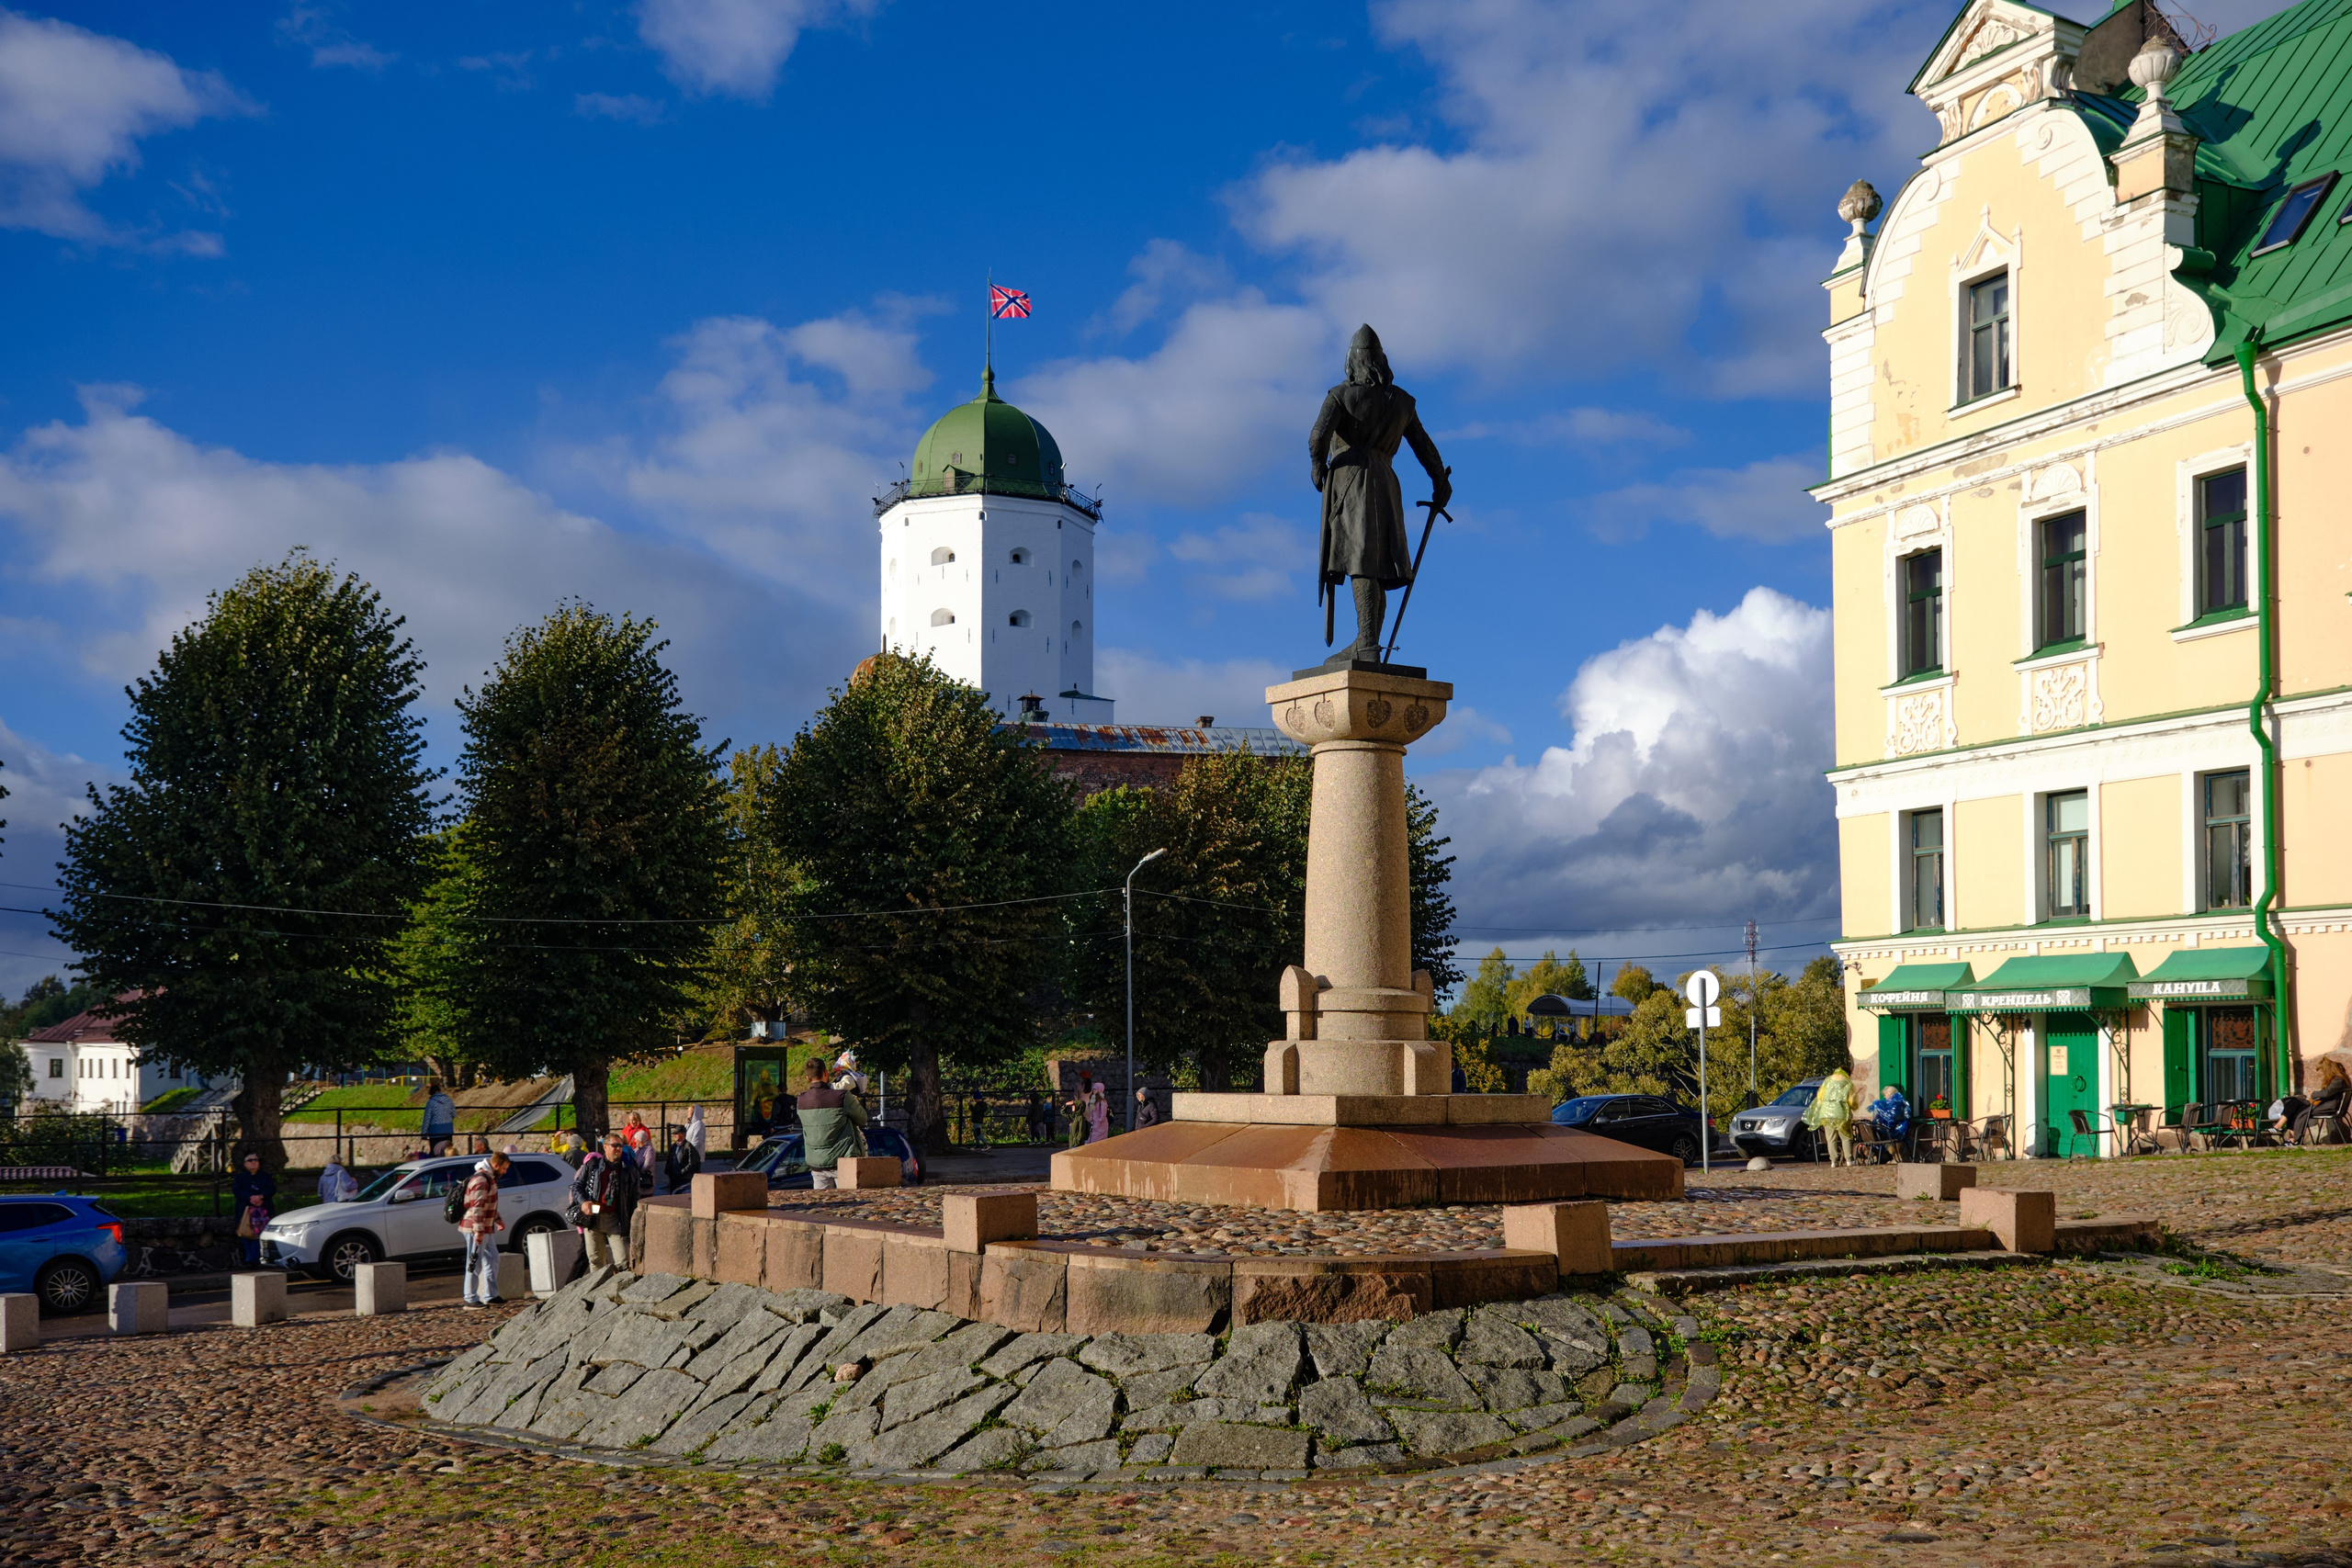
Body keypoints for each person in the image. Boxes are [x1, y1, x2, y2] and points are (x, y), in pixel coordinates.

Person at [795, 1057, 868, 1189]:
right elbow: (862, 1119)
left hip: (816, 1163)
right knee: (850, 1202)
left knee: (823, 1205)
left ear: (807, 1078)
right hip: (843, 1161)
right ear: (825, 1073)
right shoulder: (841, 1096)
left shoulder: (801, 1101)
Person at [571, 1134, 640, 1270]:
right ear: (605, 1147)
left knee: (624, 1261)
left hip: (616, 1219)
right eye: (615, 1145)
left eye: (621, 1146)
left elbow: (635, 1198)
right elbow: (577, 1186)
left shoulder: (629, 1170)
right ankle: (599, 1290)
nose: (618, 1149)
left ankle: (621, 1288)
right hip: (593, 1219)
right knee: (595, 1260)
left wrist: (633, 1222)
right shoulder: (592, 1166)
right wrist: (584, 1202)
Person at [458, 1151, 508, 1307]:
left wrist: (498, 1220)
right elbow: (477, 1208)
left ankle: (490, 1295)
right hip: (476, 1228)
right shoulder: (481, 1180)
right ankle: (470, 1297)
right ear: (496, 1165)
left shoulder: (489, 1178)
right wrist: (479, 1231)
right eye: (504, 1169)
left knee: (493, 1258)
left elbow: (487, 1205)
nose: (505, 1172)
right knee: (474, 1262)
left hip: (485, 1227)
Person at [1804, 1068, 1860, 1168]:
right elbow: (1852, 1101)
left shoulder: (1827, 1081)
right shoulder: (1848, 1083)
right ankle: (1848, 1160)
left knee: (1831, 1139)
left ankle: (1833, 1161)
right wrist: (1853, 1107)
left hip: (1826, 1113)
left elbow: (1820, 1096)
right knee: (1846, 1137)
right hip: (1841, 1113)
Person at [230, 1153, 277, 1266]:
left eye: (256, 1160)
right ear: (245, 1164)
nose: (254, 1162)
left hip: (263, 1210)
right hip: (246, 1210)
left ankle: (253, 1259)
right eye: (251, 1160)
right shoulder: (240, 1178)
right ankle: (250, 1258)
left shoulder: (265, 1176)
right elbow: (237, 1191)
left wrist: (261, 1197)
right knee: (245, 1234)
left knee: (259, 1234)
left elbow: (271, 1189)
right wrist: (250, 1198)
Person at [2292, 1061, 2349, 1143]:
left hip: (2330, 1107)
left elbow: (2326, 1093)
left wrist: (2313, 1094)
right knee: (2303, 1111)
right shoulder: (2341, 1079)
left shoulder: (2338, 1080)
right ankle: (2297, 1138)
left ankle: (2296, 1139)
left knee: (2302, 1114)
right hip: (2332, 1106)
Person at [422, 1079, 457, 1156]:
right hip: (448, 1130)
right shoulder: (448, 1100)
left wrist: (424, 1133)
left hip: (435, 1132)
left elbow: (427, 1119)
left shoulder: (431, 1102)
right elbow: (454, 1114)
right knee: (448, 1152)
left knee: (435, 1153)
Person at [663, 1124, 701, 1194]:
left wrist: (682, 1172)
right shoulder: (673, 1147)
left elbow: (692, 1163)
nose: (674, 1136)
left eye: (677, 1134)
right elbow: (669, 1160)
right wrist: (668, 1171)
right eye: (674, 1134)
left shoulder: (689, 1147)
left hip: (684, 1179)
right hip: (673, 1179)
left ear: (683, 1134)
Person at [1084, 1077, 1111, 1145]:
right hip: (1094, 1123)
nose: (1094, 1091)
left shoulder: (1102, 1101)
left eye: (1096, 1089)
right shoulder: (1093, 1100)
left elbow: (1103, 1113)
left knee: (1097, 1140)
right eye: (1093, 1090)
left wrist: (1099, 1120)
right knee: (1092, 1139)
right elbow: (1091, 1111)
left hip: (1100, 1124)